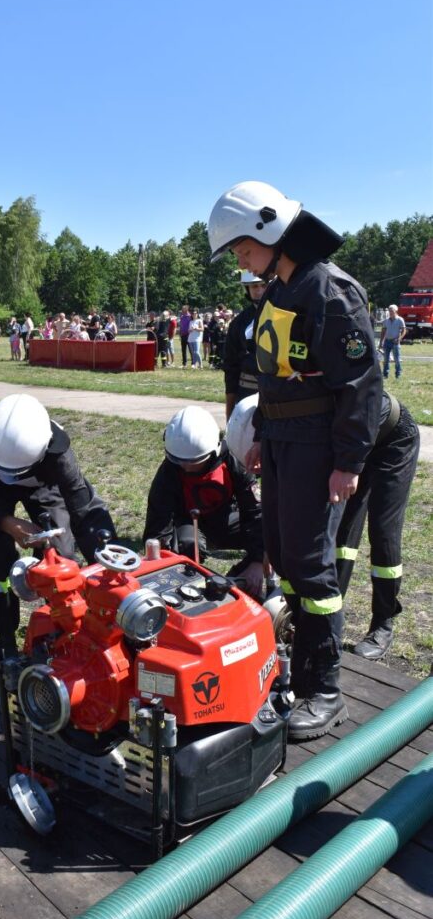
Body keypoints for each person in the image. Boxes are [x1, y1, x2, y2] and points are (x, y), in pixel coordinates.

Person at [208, 180, 382, 741]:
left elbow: (361, 385)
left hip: (316, 446)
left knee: (311, 563)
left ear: (271, 232)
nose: (240, 260)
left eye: (242, 248)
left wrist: (349, 461)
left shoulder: (329, 290)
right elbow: (274, 377)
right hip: (282, 442)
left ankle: (326, 687)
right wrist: (259, 431)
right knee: (282, 551)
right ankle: (302, 663)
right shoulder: (279, 291)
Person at [0, 394, 116, 675]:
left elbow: (84, 508)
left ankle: (61, 635)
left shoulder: (56, 451)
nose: (10, 476)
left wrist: (109, 562)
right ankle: (6, 642)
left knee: (61, 553)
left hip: (41, 485)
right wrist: (4, 522)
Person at [144, 407, 265, 597]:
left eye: (195, 461)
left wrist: (258, 561)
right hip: (191, 525)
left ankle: (240, 578)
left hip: (227, 519)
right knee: (187, 543)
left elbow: (255, 512)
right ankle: (189, 586)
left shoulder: (232, 460)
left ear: (213, 450)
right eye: (180, 461)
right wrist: (163, 567)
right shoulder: (169, 471)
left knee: (274, 536)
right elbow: (158, 523)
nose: (186, 466)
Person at [336, 391, 420, 659]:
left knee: (383, 531)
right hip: (354, 445)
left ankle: (383, 622)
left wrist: (351, 467)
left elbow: (368, 412)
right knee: (342, 530)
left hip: (393, 438)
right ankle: (331, 615)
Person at [222, 271, 267, 419]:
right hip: (247, 395)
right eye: (254, 286)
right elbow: (231, 368)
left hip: (278, 395)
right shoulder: (239, 324)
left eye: (264, 285)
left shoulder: (286, 315)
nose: (259, 291)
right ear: (247, 288)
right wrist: (230, 413)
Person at [380, 304, 406, 379]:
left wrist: (399, 339)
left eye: (392, 311)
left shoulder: (400, 319)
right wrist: (381, 342)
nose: (390, 312)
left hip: (395, 342)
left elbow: (404, 330)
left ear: (396, 311)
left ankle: (398, 374)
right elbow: (383, 331)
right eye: (389, 310)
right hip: (387, 341)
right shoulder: (386, 321)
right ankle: (385, 374)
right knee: (386, 359)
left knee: (397, 359)